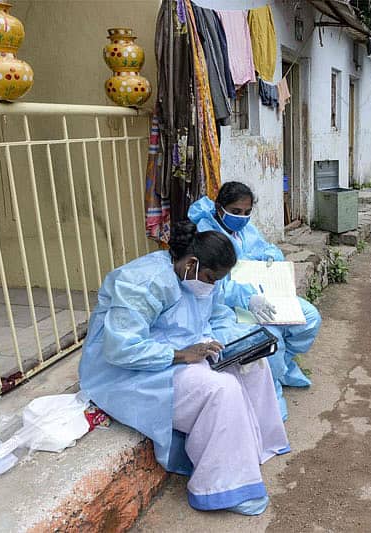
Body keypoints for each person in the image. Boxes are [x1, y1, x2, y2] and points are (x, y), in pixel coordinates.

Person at [79, 221, 289, 516]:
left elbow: (218, 317)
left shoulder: (201, 279)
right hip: (131, 370)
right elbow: (121, 348)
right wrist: (180, 355)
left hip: (185, 349)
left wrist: (231, 344)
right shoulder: (144, 282)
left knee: (251, 363)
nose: (214, 285)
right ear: (191, 263)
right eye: (211, 278)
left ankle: (255, 447)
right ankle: (221, 486)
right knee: (220, 390)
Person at [189, 182, 322, 420]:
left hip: (266, 292)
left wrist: (272, 256)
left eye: (247, 212)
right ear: (220, 208)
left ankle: (283, 368)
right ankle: (273, 395)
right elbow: (216, 284)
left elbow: (265, 247)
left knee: (309, 318)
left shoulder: (245, 230)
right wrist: (248, 299)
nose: (242, 217)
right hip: (231, 306)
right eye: (236, 212)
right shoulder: (207, 233)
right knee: (271, 337)